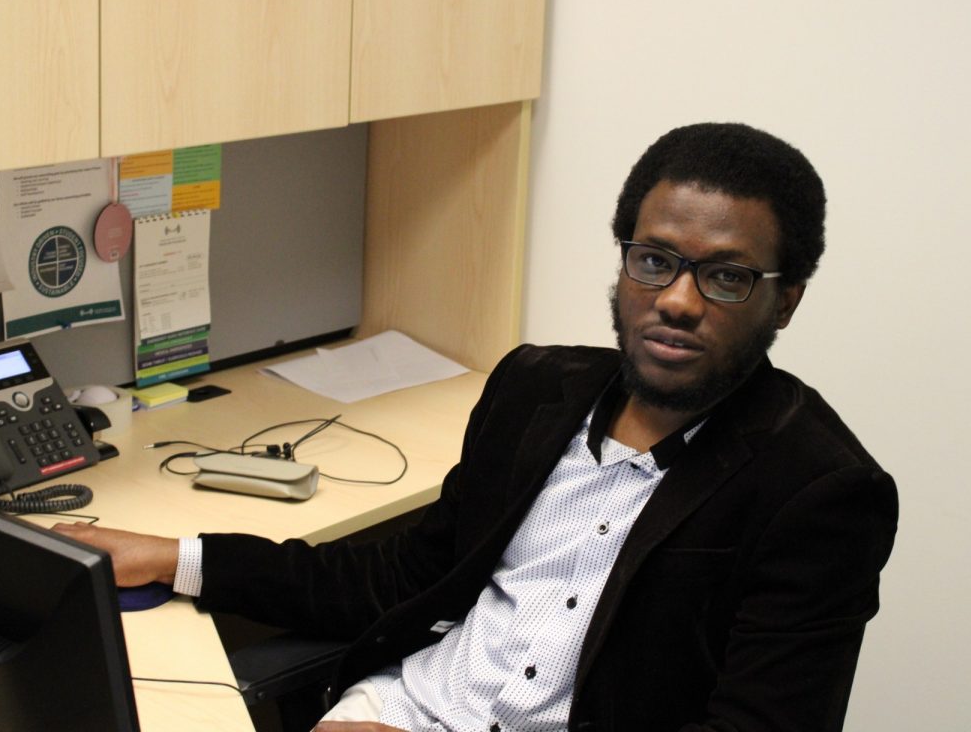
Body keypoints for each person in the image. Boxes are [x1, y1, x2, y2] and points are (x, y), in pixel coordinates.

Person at [55, 122, 898, 732]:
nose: (676, 299)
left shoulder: (820, 492)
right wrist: (179, 558)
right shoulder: (537, 388)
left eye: (726, 276)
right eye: (655, 261)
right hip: (400, 710)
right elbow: (397, 576)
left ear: (784, 300)